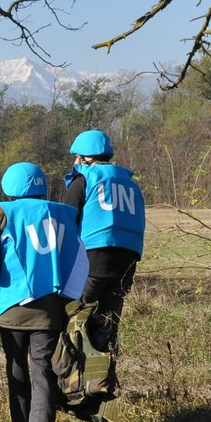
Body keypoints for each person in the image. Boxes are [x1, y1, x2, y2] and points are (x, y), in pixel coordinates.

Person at [0, 162, 87, 422]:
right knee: (44, 376)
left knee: (17, 369)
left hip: (12, 306)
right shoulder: (65, 212)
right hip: (53, 308)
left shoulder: (3, 213)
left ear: (9, 186)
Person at [60, 129, 144, 358]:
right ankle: (104, 380)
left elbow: (67, 221)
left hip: (91, 260)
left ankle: (77, 383)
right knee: (108, 323)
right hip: (126, 261)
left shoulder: (84, 179)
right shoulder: (130, 183)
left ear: (87, 157)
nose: (75, 161)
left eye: (78, 156)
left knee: (78, 321)